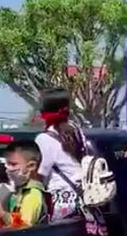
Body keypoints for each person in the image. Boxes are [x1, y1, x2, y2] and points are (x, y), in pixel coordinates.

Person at [35, 87, 91, 222]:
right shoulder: (75, 130)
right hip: (84, 197)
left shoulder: (43, 139)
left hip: (62, 201)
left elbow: (41, 174)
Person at [0, 142, 48, 229]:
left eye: (13, 164)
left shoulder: (32, 193)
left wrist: (1, 214)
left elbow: (24, 226)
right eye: (7, 164)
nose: (8, 168)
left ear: (31, 166)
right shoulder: (19, 190)